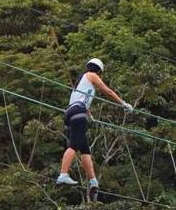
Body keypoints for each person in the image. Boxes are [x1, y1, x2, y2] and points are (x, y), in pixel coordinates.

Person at [56, 58, 133, 199]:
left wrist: (89, 115)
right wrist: (123, 104)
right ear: (98, 70)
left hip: (71, 113)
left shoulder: (80, 84)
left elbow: (81, 102)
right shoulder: (92, 75)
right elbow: (107, 91)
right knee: (74, 145)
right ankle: (63, 174)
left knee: (84, 149)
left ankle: (93, 181)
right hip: (78, 113)